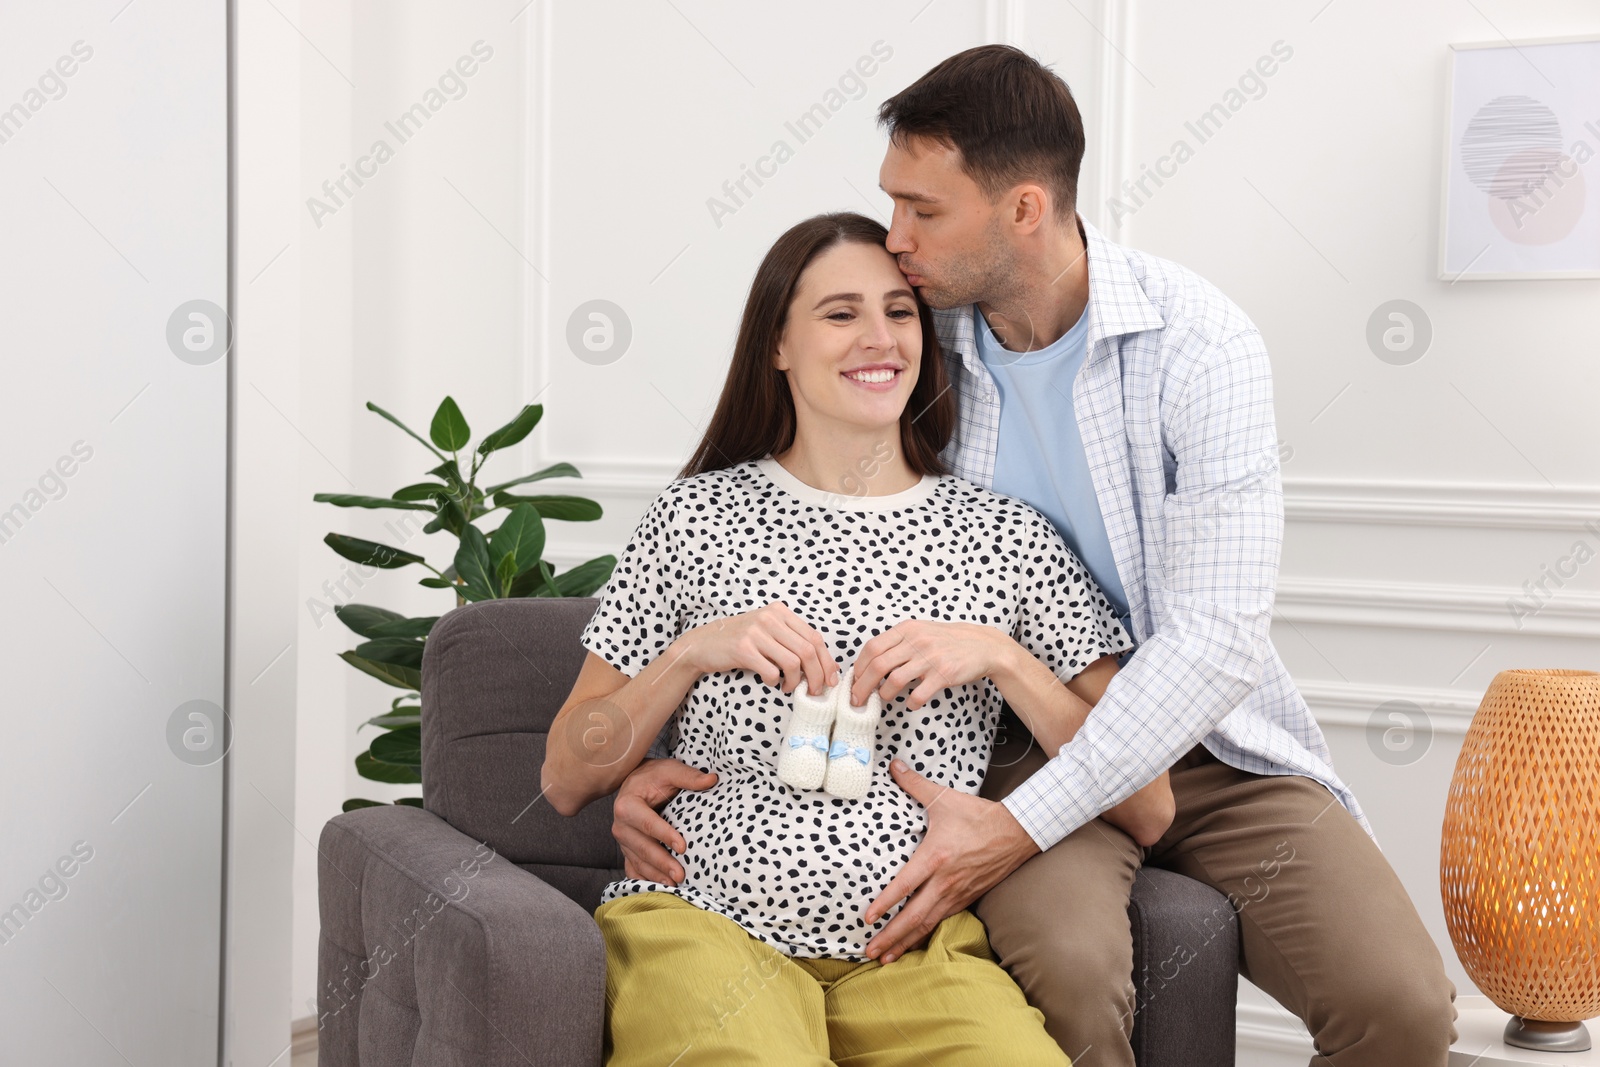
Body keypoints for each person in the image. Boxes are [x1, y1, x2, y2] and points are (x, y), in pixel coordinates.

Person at [609, 45, 1460, 1067]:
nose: (896, 238)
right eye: (893, 204)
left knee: (1401, 1004)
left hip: (1212, 742)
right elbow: (801, 512)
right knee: (1069, 970)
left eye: (924, 209)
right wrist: (682, 753)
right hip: (1017, 739)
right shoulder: (918, 343)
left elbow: (1217, 636)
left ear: (1022, 210)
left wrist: (1018, 828)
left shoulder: (1198, 344)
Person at [542, 211, 1176, 1066]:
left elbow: (1149, 803)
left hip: (919, 957)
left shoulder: (1009, 538)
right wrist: (693, 651)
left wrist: (1003, 657)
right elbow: (566, 774)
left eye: (901, 311)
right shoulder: (694, 518)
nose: (879, 338)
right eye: (840, 314)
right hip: (707, 927)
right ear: (777, 344)